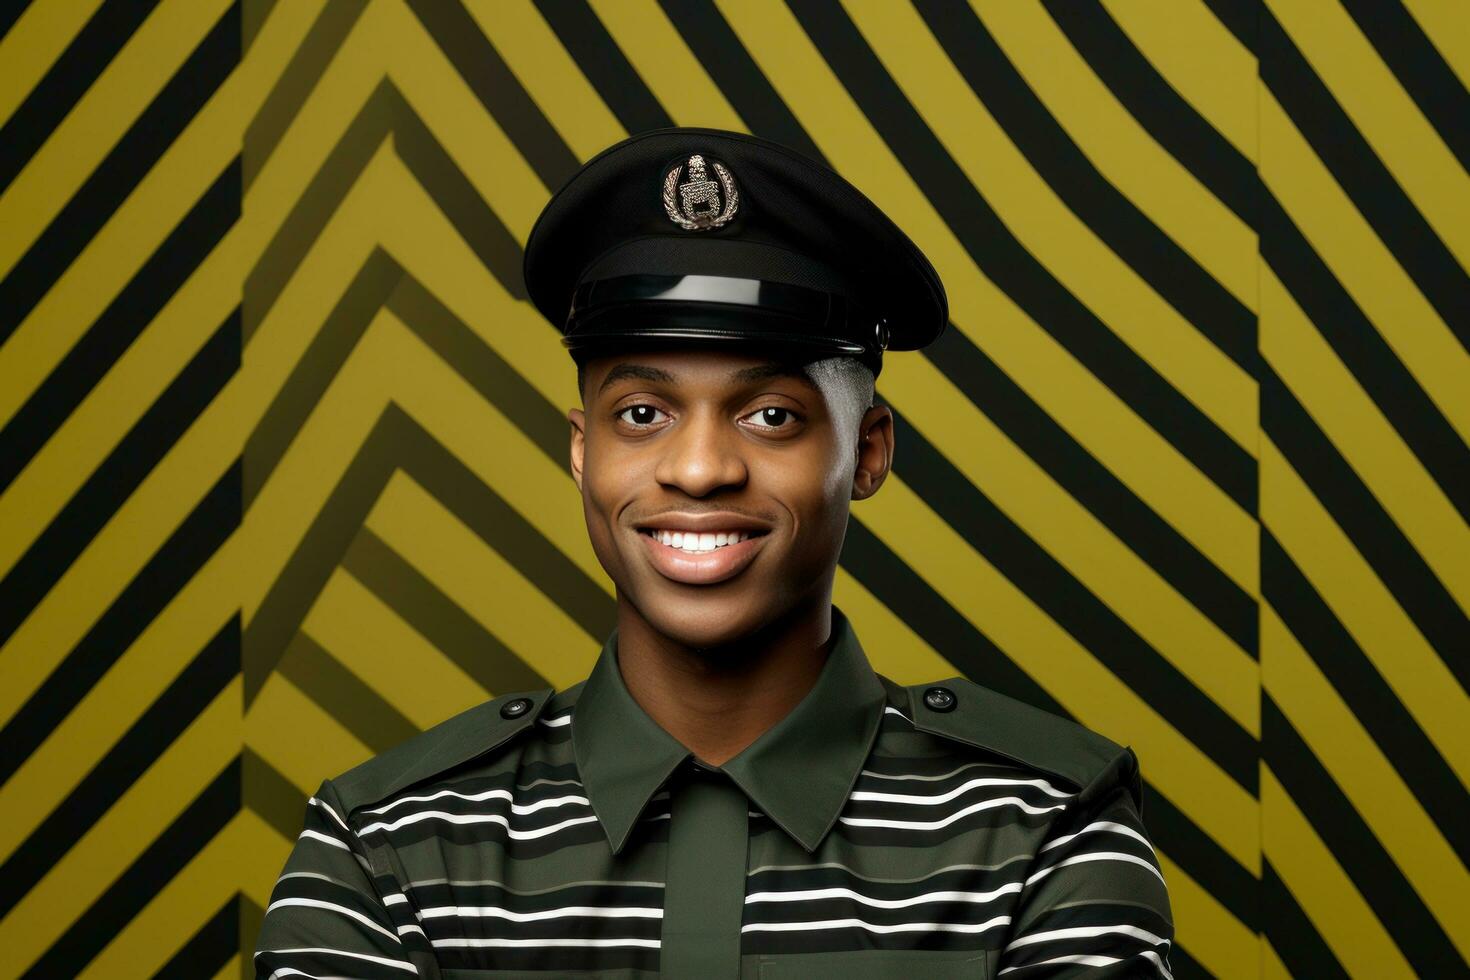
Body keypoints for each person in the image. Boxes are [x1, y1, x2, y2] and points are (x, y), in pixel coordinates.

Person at [254, 127, 1173, 978]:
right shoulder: (392, 842)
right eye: (642, 415)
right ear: (583, 452)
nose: (698, 470)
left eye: (770, 415)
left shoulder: (1042, 829)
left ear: (870, 453)